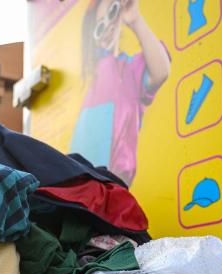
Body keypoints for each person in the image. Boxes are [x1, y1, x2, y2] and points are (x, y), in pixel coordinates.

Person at [70, 0, 171, 186]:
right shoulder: (89, 80)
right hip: (83, 189)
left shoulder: (128, 70)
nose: (107, 27)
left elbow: (161, 71)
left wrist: (135, 20)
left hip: (115, 186)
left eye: (112, 13)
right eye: (99, 26)